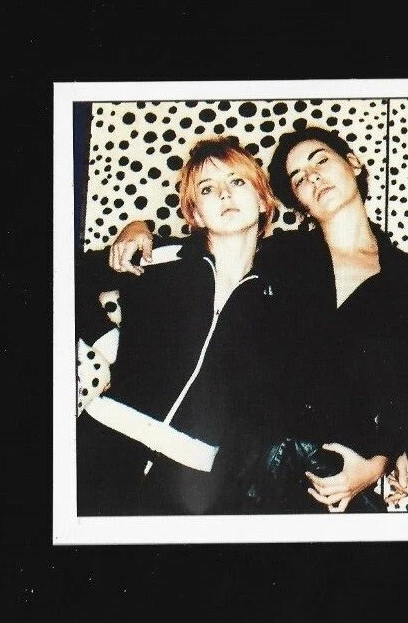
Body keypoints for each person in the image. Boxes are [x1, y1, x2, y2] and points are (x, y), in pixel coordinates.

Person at [105, 125, 408, 512]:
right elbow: (205, 253)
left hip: (340, 469)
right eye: (299, 178)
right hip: (252, 462)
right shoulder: (280, 255)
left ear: (353, 163)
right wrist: (139, 227)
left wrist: (379, 461)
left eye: (321, 162)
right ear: (296, 199)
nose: (313, 177)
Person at [76, 136, 289, 515]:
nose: (224, 193)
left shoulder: (279, 297)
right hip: (104, 439)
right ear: (196, 215)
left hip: (194, 477)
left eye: (237, 181)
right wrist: (109, 343)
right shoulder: (157, 256)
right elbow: (66, 278)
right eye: (207, 189)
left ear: (262, 200)